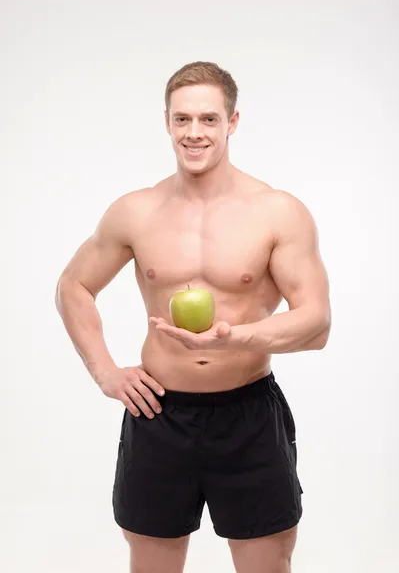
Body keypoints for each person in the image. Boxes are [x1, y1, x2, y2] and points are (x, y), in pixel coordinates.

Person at [55, 61, 331, 573]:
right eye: (182, 120)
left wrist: (236, 339)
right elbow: (74, 284)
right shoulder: (136, 211)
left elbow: (316, 324)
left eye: (208, 119)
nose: (195, 133)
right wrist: (105, 371)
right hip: (157, 414)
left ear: (233, 121)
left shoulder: (277, 211)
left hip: (247, 415)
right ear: (166, 123)